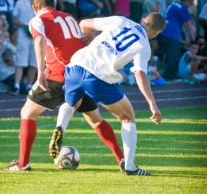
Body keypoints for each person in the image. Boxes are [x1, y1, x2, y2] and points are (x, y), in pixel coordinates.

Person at [3, 0, 125, 172]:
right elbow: (86, 41)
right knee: (96, 119)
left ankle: (22, 163)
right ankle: (122, 159)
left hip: (58, 75)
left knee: (28, 113)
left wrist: (40, 71)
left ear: (34, 7)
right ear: (53, 3)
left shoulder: (38, 20)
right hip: (81, 73)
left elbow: (38, 41)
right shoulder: (69, 17)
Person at [53, 12, 166, 176]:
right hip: (97, 77)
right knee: (127, 116)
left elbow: (83, 23)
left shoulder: (120, 20)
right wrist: (152, 104)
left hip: (76, 65)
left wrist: (91, 41)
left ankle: (60, 127)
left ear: (143, 20)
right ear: (157, 33)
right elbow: (140, 74)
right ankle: (130, 166)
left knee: (72, 104)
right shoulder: (144, 46)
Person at [11, 0, 39, 95]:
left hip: (36, 36)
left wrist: (34, 29)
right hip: (23, 35)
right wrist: (24, 26)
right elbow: (13, 19)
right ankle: (16, 86)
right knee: (20, 61)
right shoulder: (20, 2)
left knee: (34, 62)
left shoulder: (40, 4)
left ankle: (29, 86)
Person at [159, 0, 195, 81]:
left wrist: (179, 39)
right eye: (190, 3)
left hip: (165, 30)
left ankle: (169, 73)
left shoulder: (173, 4)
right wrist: (194, 40)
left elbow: (173, 19)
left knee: (169, 53)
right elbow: (189, 26)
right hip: (172, 32)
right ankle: (170, 75)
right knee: (173, 54)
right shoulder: (183, 8)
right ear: (186, 0)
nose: (190, 5)